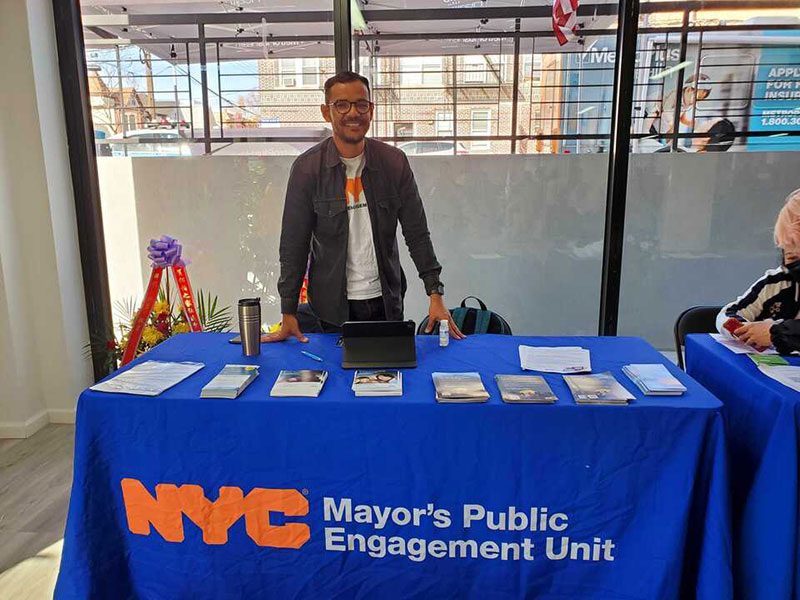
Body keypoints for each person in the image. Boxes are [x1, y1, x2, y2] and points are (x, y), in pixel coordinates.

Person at [265, 71, 465, 343]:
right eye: (341, 105)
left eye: (361, 104)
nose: (353, 113)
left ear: (371, 110)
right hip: (330, 309)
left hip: (385, 303)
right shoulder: (307, 169)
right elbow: (293, 245)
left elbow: (417, 234)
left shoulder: (394, 163)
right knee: (335, 381)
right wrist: (288, 311)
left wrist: (435, 294)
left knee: (385, 380)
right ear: (327, 112)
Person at [717, 188, 800, 353]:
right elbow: (728, 313)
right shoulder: (778, 282)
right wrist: (743, 330)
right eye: (791, 257)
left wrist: (776, 332)